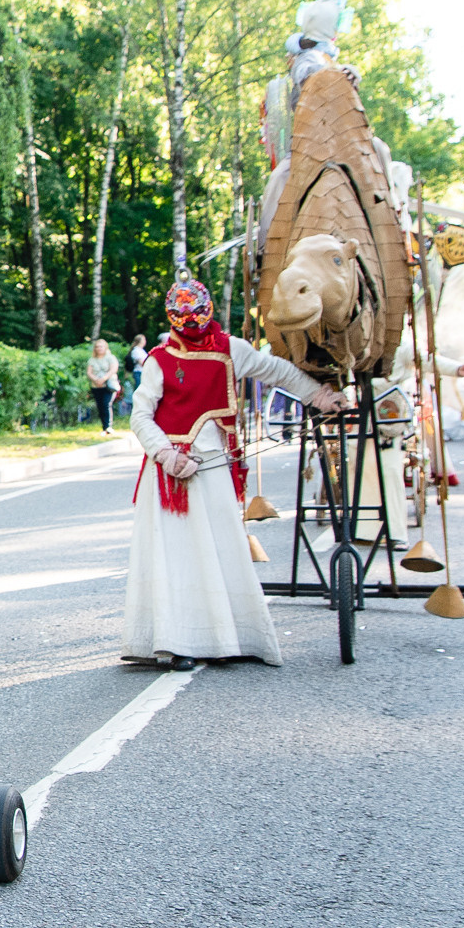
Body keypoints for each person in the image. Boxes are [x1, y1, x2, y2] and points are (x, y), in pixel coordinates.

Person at [125, 278, 345, 666]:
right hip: (171, 476)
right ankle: (177, 643)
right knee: (175, 555)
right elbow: (140, 415)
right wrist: (166, 455)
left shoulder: (231, 349)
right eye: (183, 318)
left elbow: (277, 371)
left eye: (196, 316)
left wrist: (319, 395)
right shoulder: (158, 359)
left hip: (215, 469)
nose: (191, 325)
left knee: (221, 547)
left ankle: (229, 639)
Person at [86, 337, 120, 435]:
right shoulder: (92, 360)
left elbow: (113, 369)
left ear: (105, 347)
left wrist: (104, 378)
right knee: (100, 405)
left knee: (106, 404)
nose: (99, 348)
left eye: (101, 346)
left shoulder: (110, 358)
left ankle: (108, 426)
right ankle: (104, 426)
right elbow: (89, 372)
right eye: (97, 347)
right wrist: (96, 380)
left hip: (108, 385)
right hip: (96, 386)